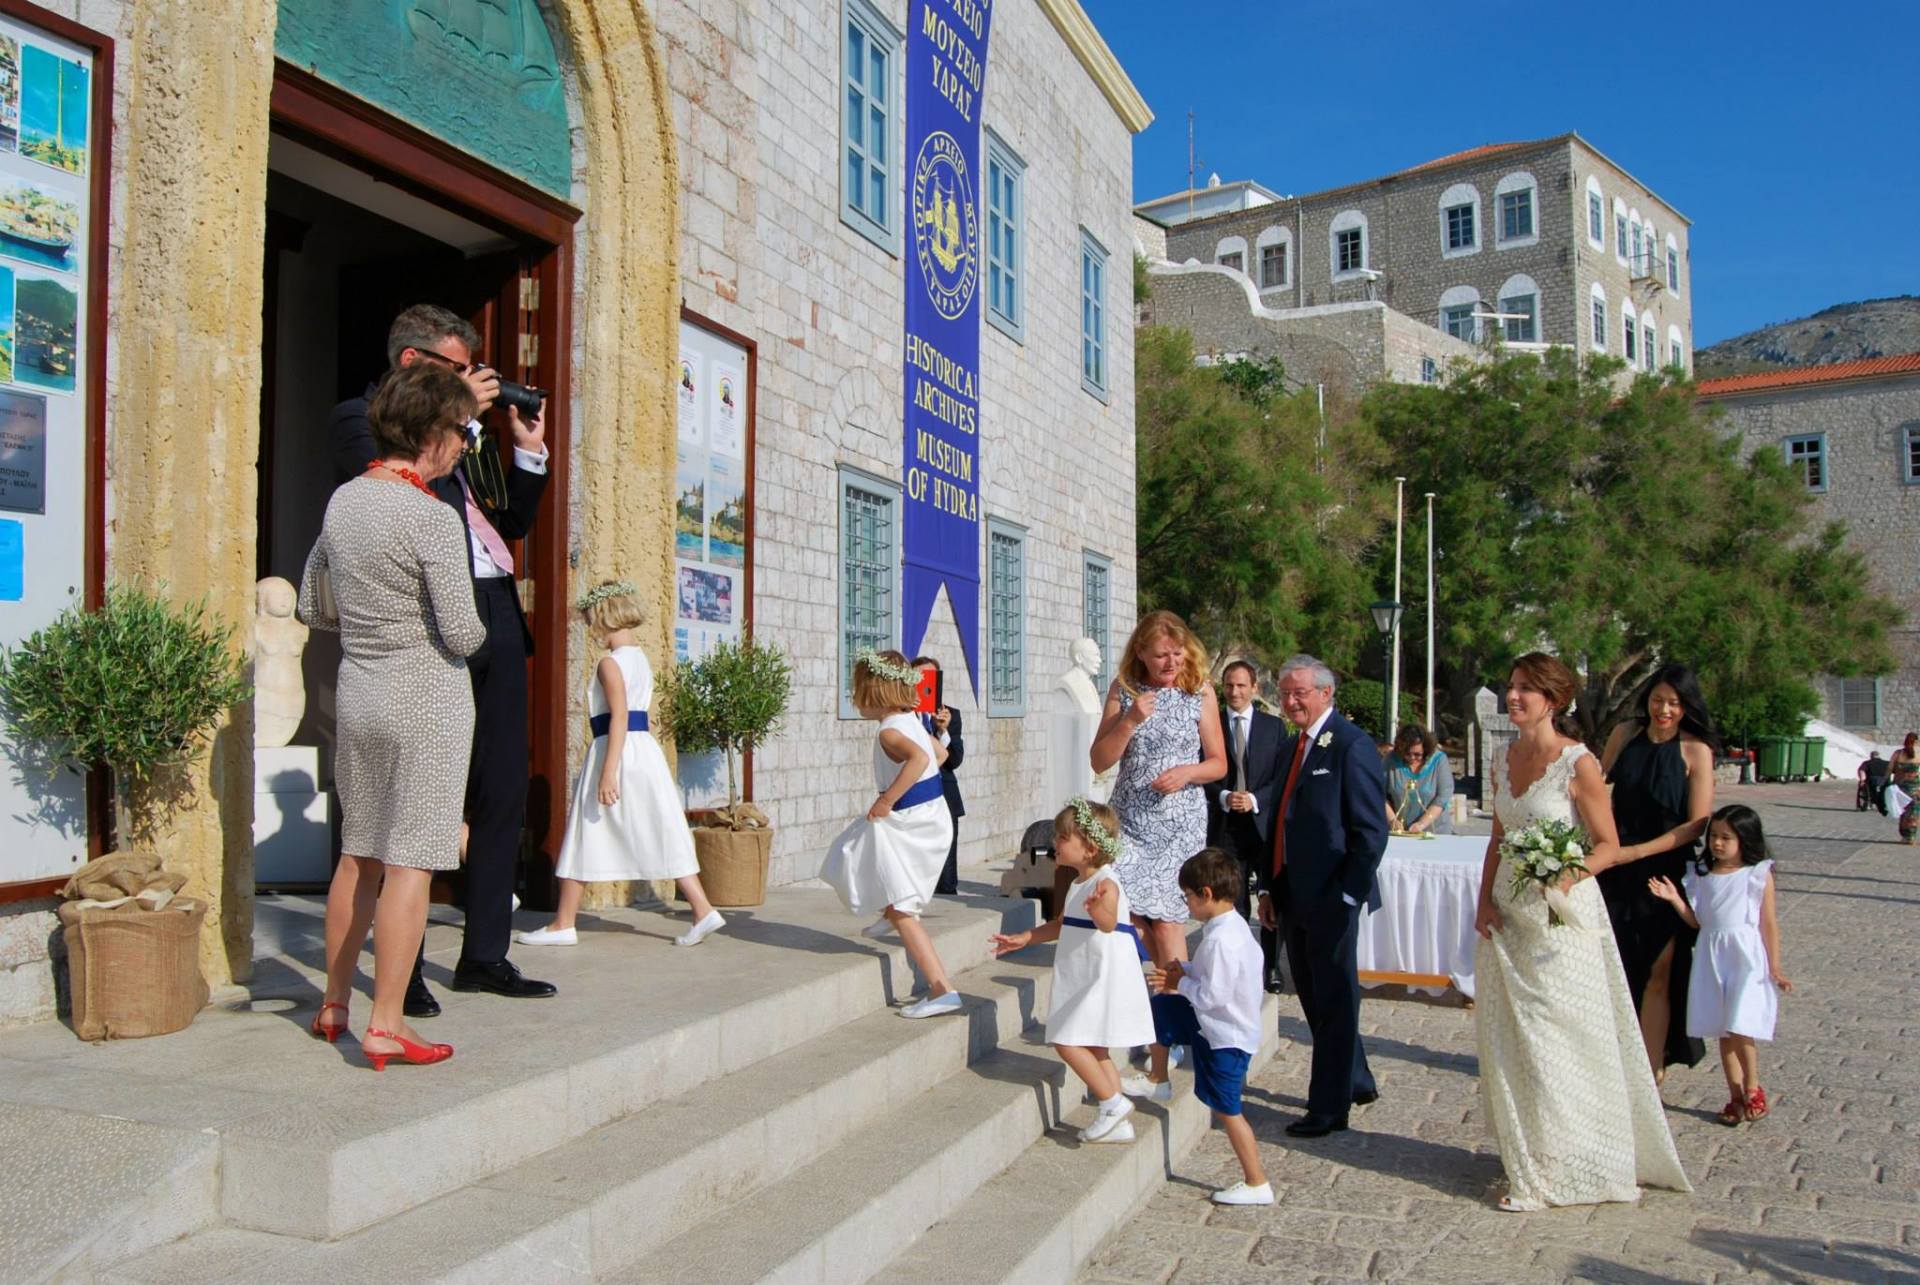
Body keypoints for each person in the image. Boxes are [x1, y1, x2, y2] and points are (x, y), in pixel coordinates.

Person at [331, 303, 555, 1013]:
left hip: (492, 608)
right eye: (458, 371)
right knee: (417, 805)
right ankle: (407, 973)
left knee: (501, 789)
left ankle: (486, 952)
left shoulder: (468, 432)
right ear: (413, 363)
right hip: (425, 623)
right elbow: (395, 488)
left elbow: (511, 520)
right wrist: (453, 419)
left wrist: (524, 450)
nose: (474, 382)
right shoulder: (360, 419)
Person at [299, 362, 487, 1070]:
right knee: (410, 862)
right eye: (464, 430)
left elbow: (312, 604)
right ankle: (385, 1020)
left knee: (359, 854)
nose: (467, 443)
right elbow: (466, 633)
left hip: (362, 689)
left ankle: (335, 1001)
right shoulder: (433, 518)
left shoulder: (344, 502)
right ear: (435, 433)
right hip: (426, 700)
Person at [1474, 653, 1690, 1211]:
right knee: (1516, 1043)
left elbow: (1608, 846)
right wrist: (1482, 904)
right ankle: (1533, 1153)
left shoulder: (1578, 763)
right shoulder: (1501, 758)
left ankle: (1571, 1163)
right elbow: (1498, 838)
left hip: (1561, 922)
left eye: (1526, 689)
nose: (1514, 697)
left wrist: (1562, 878)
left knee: (1560, 1039)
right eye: (1511, 686)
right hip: (1509, 919)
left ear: (1554, 699)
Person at [514, 580, 726, 949]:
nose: (590, 628)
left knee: (585, 828)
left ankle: (563, 923)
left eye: (590, 620)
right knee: (659, 826)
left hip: (617, 751)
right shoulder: (639, 658)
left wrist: (608, 771)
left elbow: (619, 717)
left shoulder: (609, 663)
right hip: (642, 753)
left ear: (602, 617)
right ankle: (702, 908)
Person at [1090, 611, 1227, 1093]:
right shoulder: (1125, 690)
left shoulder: (1200, 692)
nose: (1171, 662)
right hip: (1131, 820)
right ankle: (1149, 1015)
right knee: (1130, 916)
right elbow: (1099, 759)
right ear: (1141, 654)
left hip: (1179, 822)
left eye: (1177, 653)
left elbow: (1218, 763)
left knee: (1168, 921)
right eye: (1161, 654)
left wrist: (1186, 773)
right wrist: (1129, 719)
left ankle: (1172, 1029)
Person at [1253, 655, 1388, 1138]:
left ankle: (1329, 1107)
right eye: (1285, 693)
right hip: (1292, 891)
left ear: (1326, 694)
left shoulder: (1350, 746)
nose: (1290, 702)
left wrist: (1348, 895)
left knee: (1333, 997)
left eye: (1300, 694)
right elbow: (1279, 819)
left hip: (1332, 894)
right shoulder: (1294, 747)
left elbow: (1370, 832)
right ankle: (1355, 1077)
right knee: (1312, 993)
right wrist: (1268, 886)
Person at [990, 799, 1155, 1145]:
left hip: (1101, 975)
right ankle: (1117, 1121)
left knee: (1066, 1039)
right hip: (1085, 972)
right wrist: (1027, 937)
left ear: (1090, 848)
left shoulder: (1105, 885)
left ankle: (1112, 1103)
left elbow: (1108, 923)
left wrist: (1099, 912)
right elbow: (1065, 923)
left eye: (1063, 838)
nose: (1054, 844)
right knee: (1096, 1048)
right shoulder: (1081, 881)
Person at [821, 648, 960, 1018]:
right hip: (930, 815)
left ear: (875, 692)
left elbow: (917, 760)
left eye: (858, 691)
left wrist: (886, 800)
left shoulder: (889, 730)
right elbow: (939, 757)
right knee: (862, 847)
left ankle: (941, 988)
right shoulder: (909, 718)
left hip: (913, 820)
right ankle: (889, 908)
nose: (855, 699)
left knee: (891, 894)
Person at [1598, 664, 1716, 1079]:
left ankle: (1651, 1067)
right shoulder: (1624, 735)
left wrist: (1639, 852)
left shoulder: (1696, 751)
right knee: (1617, 966)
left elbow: (1697, 823)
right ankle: (1617, 1059)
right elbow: (1597, 788)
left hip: (1664, 870)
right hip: (1614, 864)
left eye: (1673, 702)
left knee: (1659, 969)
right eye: (1657, 700)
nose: (1663, 709)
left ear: (1686, 707)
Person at [1648, 804, 1792, 1127]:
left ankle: (1753, 1086)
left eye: (1726, 837)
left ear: (1745, 839)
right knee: (1723, 1030)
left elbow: (1768, 924)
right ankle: (1736, 1094)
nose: (1717, 843)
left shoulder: (1757, 875)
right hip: (1711, 958)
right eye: (1714, 836)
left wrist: (1775, 966)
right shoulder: (1702, 877)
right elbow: (1698, 922)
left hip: (1744, 956)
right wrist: (1674, 899)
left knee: (1741, 1023)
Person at [1150, 848, 1272, 1206]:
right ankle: (1158, 1078)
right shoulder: (1229, 927)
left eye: (1187, 896)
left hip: (1224, 1037)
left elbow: (1212, 996)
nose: (1186, 904)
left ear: (1205, 893)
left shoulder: (1220, 940)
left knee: (1228, 1110)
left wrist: (1179, 984)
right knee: (1162, 1010)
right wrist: (1184, 972)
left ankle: (1256, 1180)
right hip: (1218, 1028)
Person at [1202, 659, 1283, 991]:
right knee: (1233, 899)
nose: (1235, 692)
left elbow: (1280, 776)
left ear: (1255, 688)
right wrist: (1223, 796)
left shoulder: (1272, 727)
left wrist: (1256, 799)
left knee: (1271, 895)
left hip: (1262, 825)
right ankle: (1235, 966)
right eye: (1229, 686)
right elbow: (1200, 769)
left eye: (1241, 685)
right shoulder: (1211, 725)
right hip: (1226, 827)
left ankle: (1271, 968)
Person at [911, 655, 966, 896]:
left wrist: (943, 730)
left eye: (930, 677)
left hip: (944, 794)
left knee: (946, 862)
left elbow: (954, 760)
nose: (925, 682)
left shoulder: (949, 714)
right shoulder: (903, 715)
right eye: (919, 676)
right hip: (914, 796)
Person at [1384, 725, 1454, 834]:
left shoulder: (1439, 760)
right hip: (1400, 832)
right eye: (1407, 754)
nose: (1412, 758)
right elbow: (1379, 794)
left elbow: (1443, 797)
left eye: (1417, 755)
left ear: (1426, 750)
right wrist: (1393, 820)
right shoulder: (1390, 760)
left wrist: (1421, 824)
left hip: (1435, 832)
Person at [1890, 735, 1920, 843]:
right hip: (1916, 787)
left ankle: (1905, 836)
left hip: (1901, 787)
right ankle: (1911, 836)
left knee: (1903, 812)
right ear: (1916, 742)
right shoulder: (1918, 754)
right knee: (1914, 812)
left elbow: (1889, 770)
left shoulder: (1898, 754)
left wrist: (1886, 783)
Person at [1858, 751, 1890, 815]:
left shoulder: (1867, 763)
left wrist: (1862, 780)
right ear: (1879, 755)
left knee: (1866, 786)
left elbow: (1861, 771)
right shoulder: (1887, 763)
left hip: (1872, 781)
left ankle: (1869, 803)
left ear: (1871, 756)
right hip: (1884, 781)